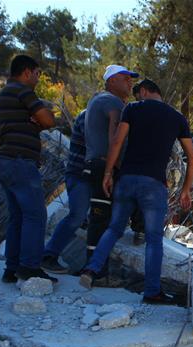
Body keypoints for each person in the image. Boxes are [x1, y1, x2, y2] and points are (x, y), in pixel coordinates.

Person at [79, 79, 193, 304]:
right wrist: (186, 189)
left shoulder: (132, 109)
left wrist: (107, 173)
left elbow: (116, 143)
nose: (135, 98)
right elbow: (191, 157)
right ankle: (152, 291)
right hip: (154, 184)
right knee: (153, 239)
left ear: (143, 91)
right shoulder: (177, 118)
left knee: (113, 228)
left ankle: (91, 269)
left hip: (127, 179)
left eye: (137, 94)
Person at [0, 55, 57, 283]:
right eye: (38, 74)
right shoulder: (22, 91)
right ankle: (30, 267)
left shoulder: (3, 94)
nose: (38, 79)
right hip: (20, 161)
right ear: (27, 72)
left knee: (17, 217)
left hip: (4, 161)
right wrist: (39, 117)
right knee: (36, 214)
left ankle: (11, 269)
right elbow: (48, 120)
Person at [80, 64, 138, 275]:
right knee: (101, 219)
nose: (130, 82)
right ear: (112, 80)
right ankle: (97, 273)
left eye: (131, 79)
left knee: (100, 218)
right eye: (125, 78)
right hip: (105, 165)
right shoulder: (112, 102)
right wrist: (113, 168)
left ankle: (93, 267)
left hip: (96, 163)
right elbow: (116, 135)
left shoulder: (97, 100)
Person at [40, 109, 90, 273]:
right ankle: (48, 255)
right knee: (77, 216)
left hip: (82, 175)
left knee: (80, 217)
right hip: (80, 175)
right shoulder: (89, 116)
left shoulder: (90, 114)